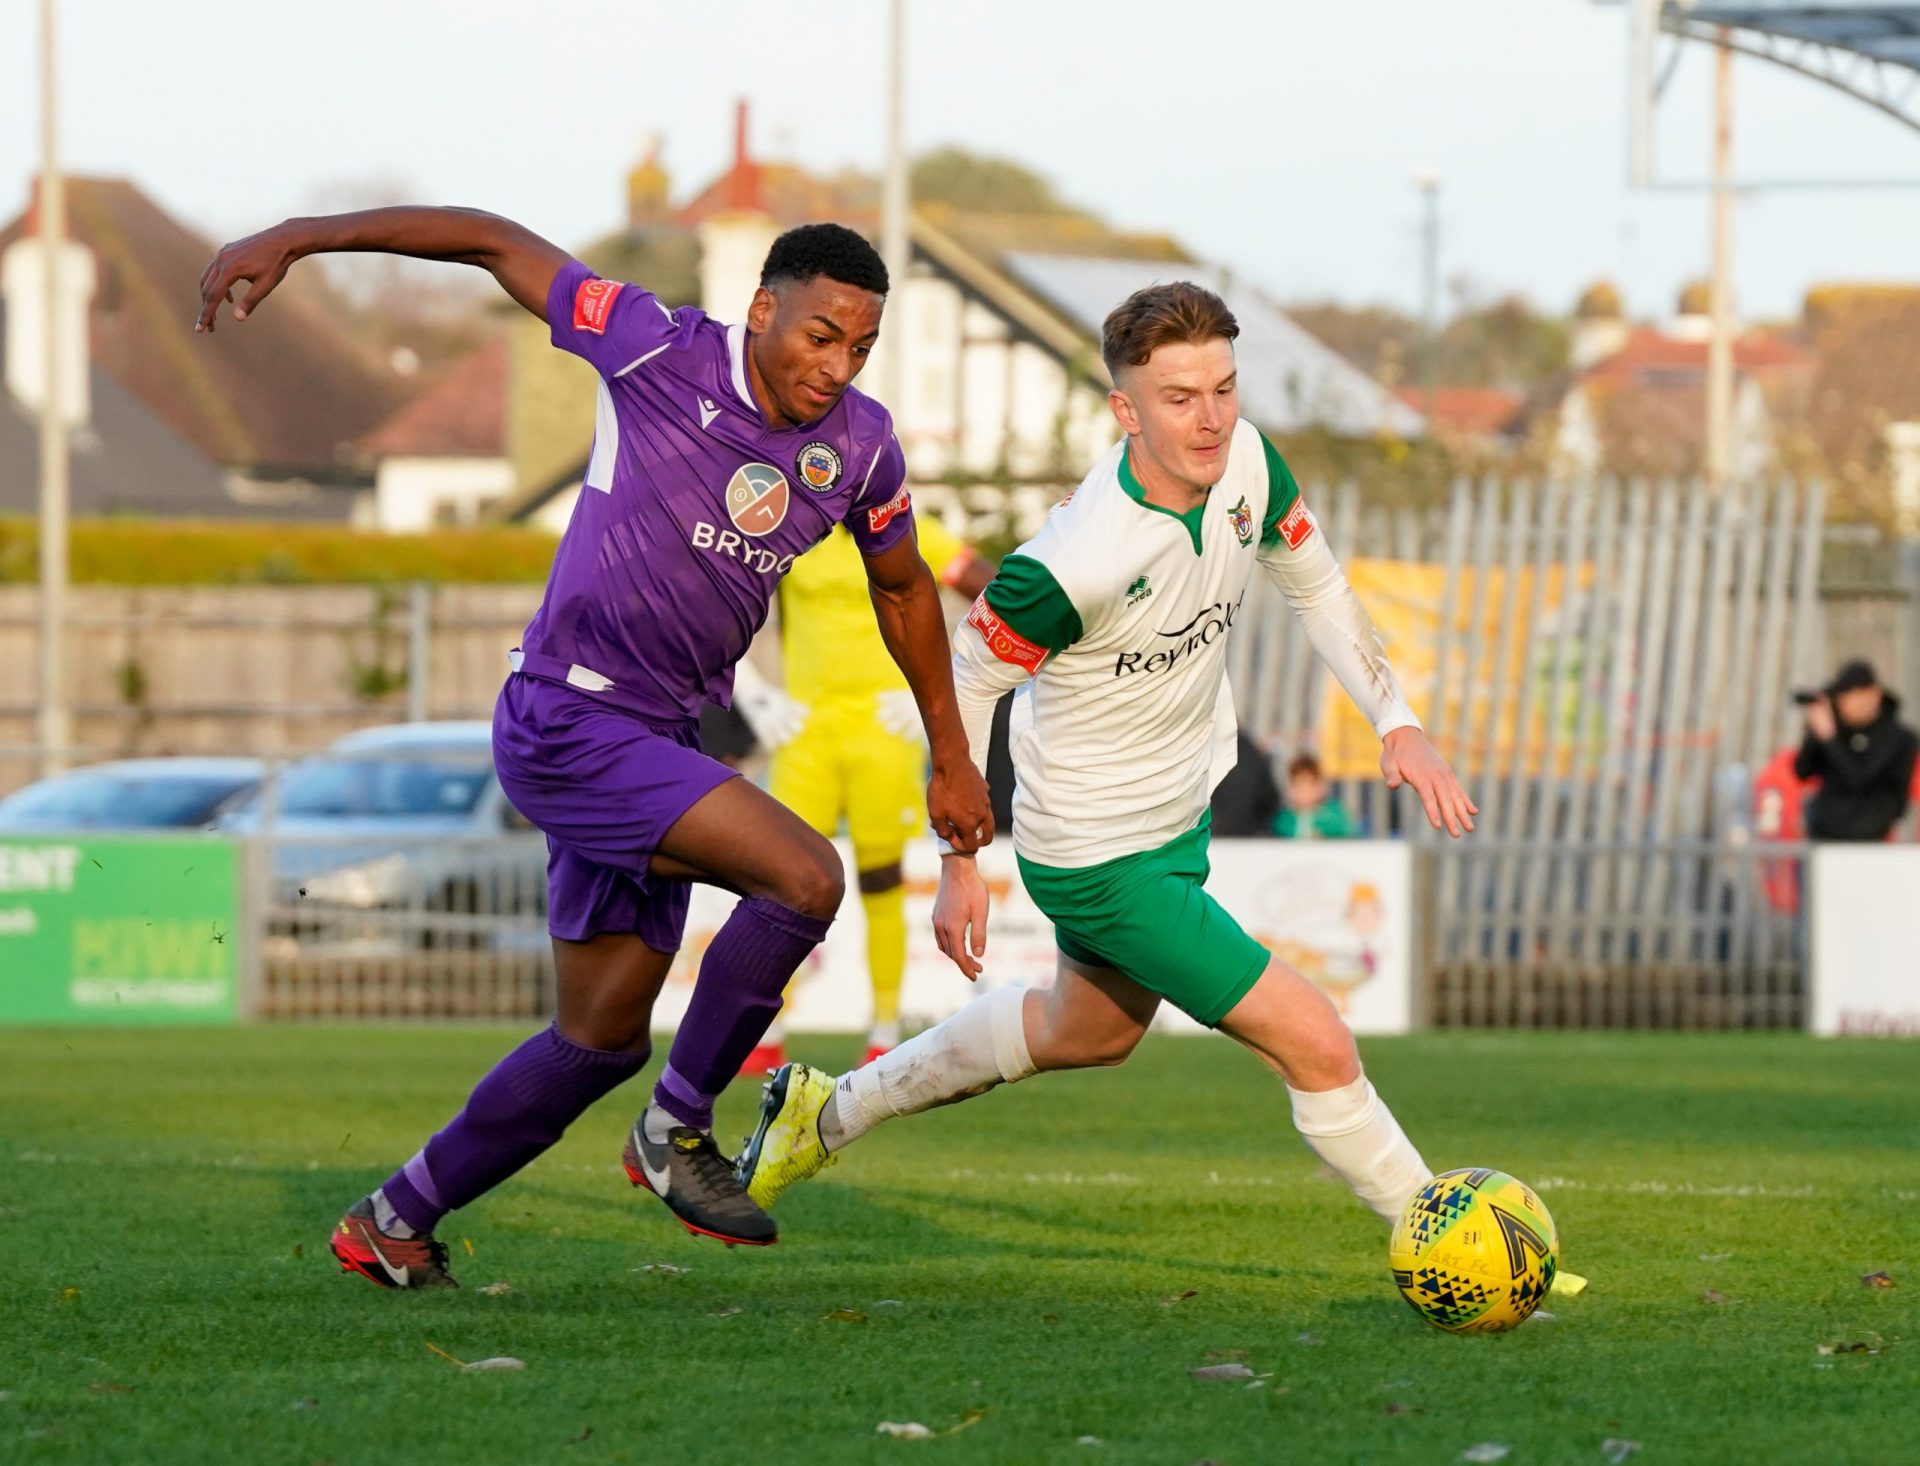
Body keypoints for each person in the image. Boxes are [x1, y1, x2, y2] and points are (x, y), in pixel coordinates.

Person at [196, 206, 992, 1283]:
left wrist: (950, 747)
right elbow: (492, 242)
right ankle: (678, 1129)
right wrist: (301, 236)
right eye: (819, 334)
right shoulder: (653, 343)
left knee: (601, 1037)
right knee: (804, 875)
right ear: (763, 309)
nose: (836, 364)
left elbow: (903, 586)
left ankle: (393, 1218)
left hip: (658, 738)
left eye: (859, 346)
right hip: (568, 717)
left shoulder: (858, 447)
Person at [735, 281, 1475, 1234]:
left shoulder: (1250, 461)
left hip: (1178, 818)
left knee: (1080, 1032)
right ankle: (1443, 1236)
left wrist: (1396, 720)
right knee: (1317, 1039)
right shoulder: (1071, 563)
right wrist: (960, 859)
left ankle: (824, 1114)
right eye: (1179, 398)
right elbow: (963, 685)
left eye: (1223, 388)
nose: (1210, 419)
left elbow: (1317, 585)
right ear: (1126, 410)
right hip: (1096, 856)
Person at [734, 521, 996, 1073]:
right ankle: (766, 1032)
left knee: (882, 880)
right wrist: (753, 693)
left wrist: (946, 679)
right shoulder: (788, 522)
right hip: (805, 731)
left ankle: (883, 1030)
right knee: (779, 883)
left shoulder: (902, 525)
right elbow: (710, 596)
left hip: (884, 730)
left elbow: (995, 594)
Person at [1793, 660, 1919, 843]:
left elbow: (1860, 777)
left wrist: (1830, 739)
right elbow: (1802, 770)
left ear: (1874, 694)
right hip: (1824, 836)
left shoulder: (1898, 738)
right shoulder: (1837, 732)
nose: (1847, 705)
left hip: (1871, 838)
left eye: (1854, 696)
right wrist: (1815, 732)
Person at [1274, 752, 1356, 838]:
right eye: (1299, 785)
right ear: (1290, 789)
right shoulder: (1283, 820)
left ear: (1321, 787)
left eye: (1310, 786)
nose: (1304, 792)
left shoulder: (1335, 817)